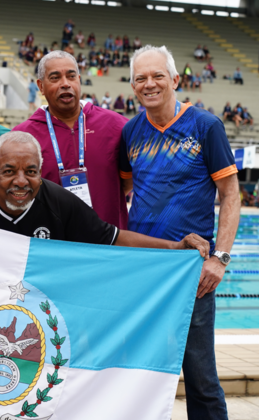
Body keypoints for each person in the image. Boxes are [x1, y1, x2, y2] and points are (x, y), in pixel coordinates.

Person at [122, 45, 240, 420]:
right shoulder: (130, 133)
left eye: (157, 75)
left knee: (201, 377)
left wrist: (219, 259)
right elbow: (124, 192)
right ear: (132, 85)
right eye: (141, 78)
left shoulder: (206, 127)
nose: (150, 83)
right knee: (140, 373)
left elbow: (231, 193)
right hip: (144, 269)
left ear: (175, 79)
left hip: (192, 270)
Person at [0, 132, 210, 261]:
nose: (21, 181)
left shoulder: (59, 202)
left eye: (31, 171)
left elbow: (112, 238)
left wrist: (175, 247)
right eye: (9, 171)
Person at [12, 51, 129, 229]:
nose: (65, 84)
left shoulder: (116, 125)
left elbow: (129, 180)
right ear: (40, 86)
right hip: (52, 246)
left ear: (79, 80)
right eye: (55, 78)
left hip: (108, 245)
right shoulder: (21, 137)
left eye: (71, 76)